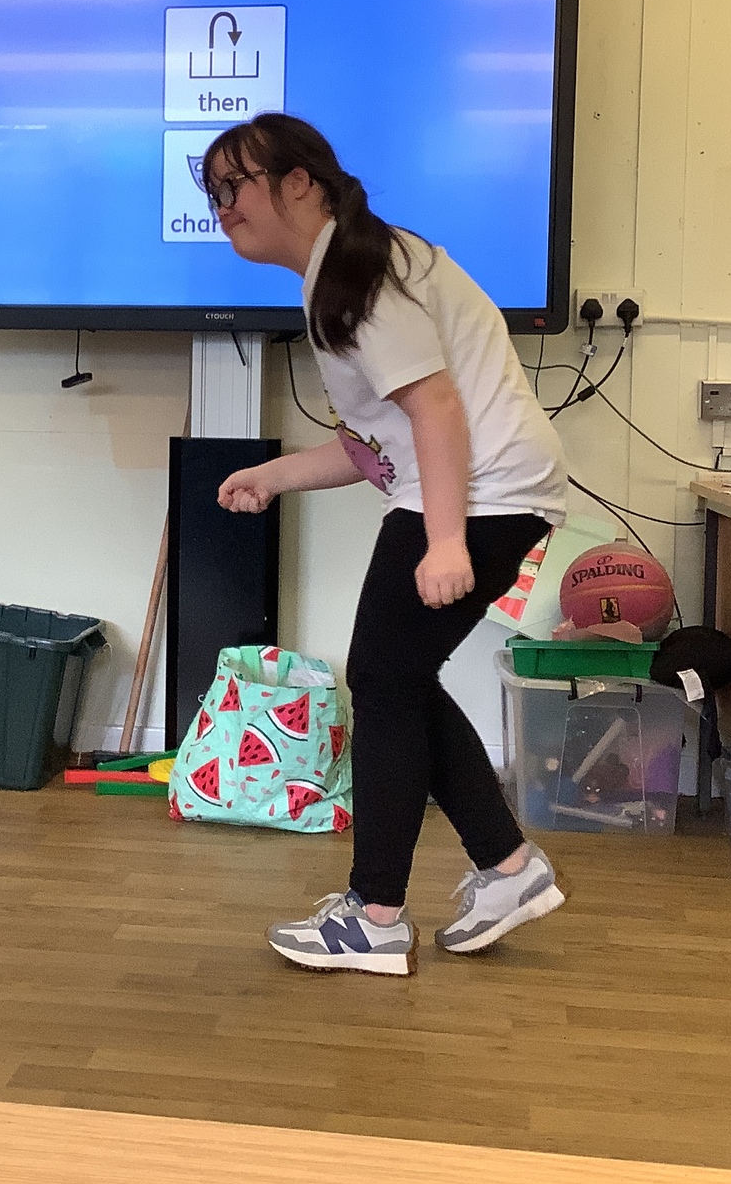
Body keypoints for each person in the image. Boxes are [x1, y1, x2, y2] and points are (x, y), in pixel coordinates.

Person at [208, 114, 570, 977]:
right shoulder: (340, 270)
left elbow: (435, 407)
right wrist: (275, 475)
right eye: (212, 192)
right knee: (393, 679)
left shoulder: (361, 270)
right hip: (476, 492)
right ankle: (506, 868)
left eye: (236, 186)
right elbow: (378, 445)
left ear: (301, 183)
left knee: (383, 679)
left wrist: (445, 542)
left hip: (480, 496)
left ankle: (375, 914)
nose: (223, 208)